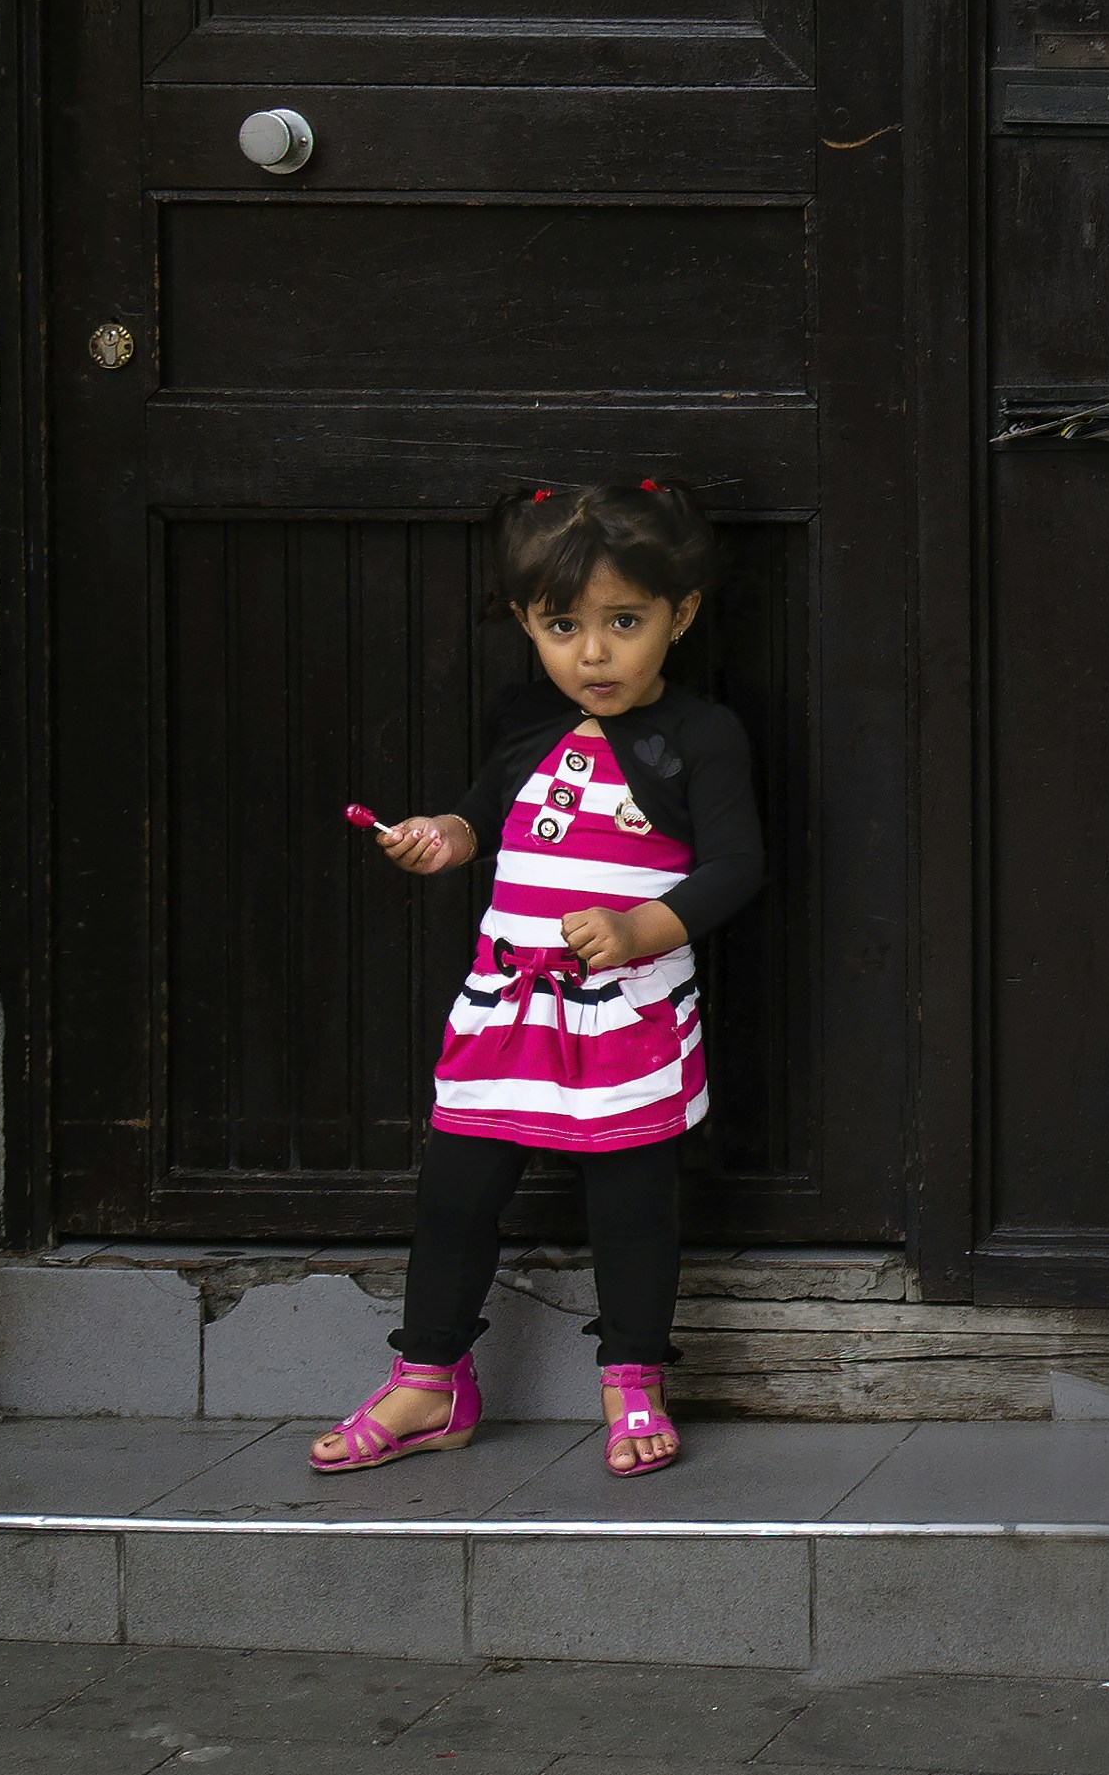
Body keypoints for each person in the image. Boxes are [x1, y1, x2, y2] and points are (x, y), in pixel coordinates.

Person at [310, 478, 764, 1477]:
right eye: (563, 624)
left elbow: (736, 866)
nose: (592, 653)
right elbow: (482, 814)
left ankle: (633, 1377)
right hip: (504, 1002)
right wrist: (441, 836)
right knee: (457, 1192)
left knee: (630, 1196)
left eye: (623, 621)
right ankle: (430, 1379)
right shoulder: (524, 717)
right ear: (525, 619)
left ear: (679, 614)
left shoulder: (700, 734)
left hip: (623, 1007)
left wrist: (640, 924)